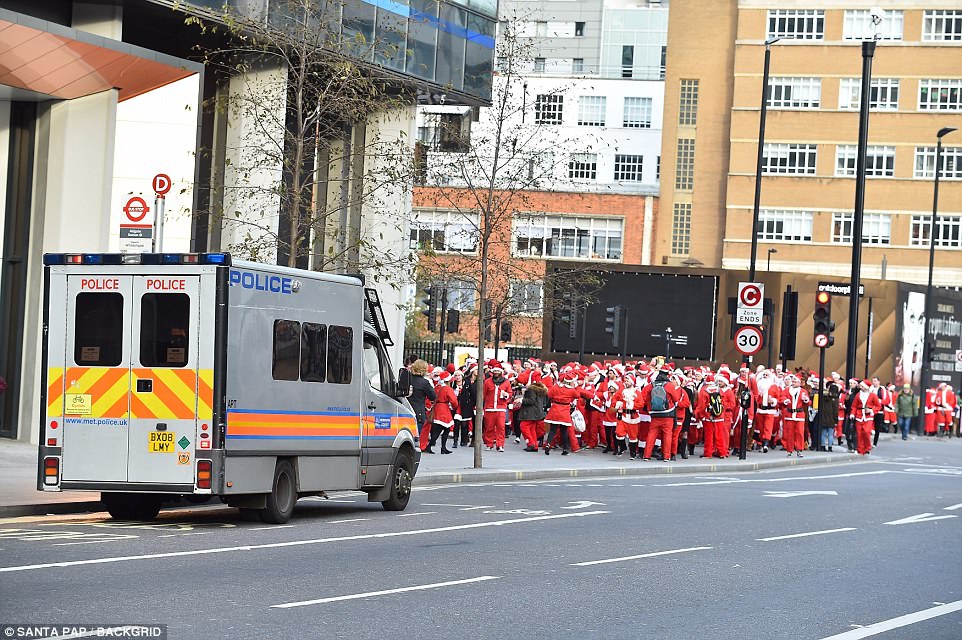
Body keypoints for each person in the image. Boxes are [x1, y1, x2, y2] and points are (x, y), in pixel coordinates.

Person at [639, 362, 684, 461]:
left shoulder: (651, 385)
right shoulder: (669, 385)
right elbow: (676, 399)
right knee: (667, 435)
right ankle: (666, 456)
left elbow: (643, 397)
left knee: (651, 434)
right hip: (667, 414)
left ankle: (646, 455)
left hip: (654, 414)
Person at [544, 371, 591, 455]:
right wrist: (575, 387)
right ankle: (565, 449)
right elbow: (577, 395)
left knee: (552, 430)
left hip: (554, 409)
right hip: (564, 410)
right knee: (564, 431)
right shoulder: (571, 390)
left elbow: (549, 394)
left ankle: (548, 444)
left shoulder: (556, 387)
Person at [482, 360, 512, 452]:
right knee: (489, 427)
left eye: (498, 371)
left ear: (501, 372)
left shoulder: (506, 382)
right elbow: (484, 394)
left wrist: (506, 395)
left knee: (501, 427)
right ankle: (489, 443)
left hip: (501, 408)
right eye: (495, 371)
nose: (496, 373)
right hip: (489, 408)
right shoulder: (487, 382)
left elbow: (510, 393)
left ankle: (500, 445)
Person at [426, 371, 458, 454]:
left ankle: (435, 446)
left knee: (438, 428)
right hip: (444, 409)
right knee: (445, 428)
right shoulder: (448, 388)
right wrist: (455, 407)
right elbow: (454, 401)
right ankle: (441, 447)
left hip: (436, 408)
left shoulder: (437, 387)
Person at [408, 360, 436, 451]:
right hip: (418, 411)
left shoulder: (407, 379)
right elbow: (433, 396)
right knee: (415, 436)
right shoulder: (424, 382)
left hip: (406, 409)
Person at [780, 374, 810, 457]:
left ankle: (799, 449)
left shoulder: (803, 391)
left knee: (799, 433)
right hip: (789, 414)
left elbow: (808, 402)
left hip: (799, 415)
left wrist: (806, 399)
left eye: (795, 381)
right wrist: (785, 401)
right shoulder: (787, 390)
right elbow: (782, 397)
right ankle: (789, 450)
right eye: (792, 381)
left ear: (799, 383)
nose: (793, 383)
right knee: (789, 433)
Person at [851, 380, 882, 455]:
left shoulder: (873, 395)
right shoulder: (858, 395)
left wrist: (871, 410)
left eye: (862, 386)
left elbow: (878, 406)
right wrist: (852, 414)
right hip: (859, 415)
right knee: (859, 433)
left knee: (866, 431)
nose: (860, 387)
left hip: (868, 416)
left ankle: (867, 448)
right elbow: (854, 406)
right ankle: (860, 449)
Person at [518, 375, 548, 452]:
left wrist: (522, 400)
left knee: (523, 426)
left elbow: (531, 401)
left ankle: (531, 443)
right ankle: (534, 445)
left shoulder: (531, 390)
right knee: (532, 429)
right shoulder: (541, 390)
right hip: (537, 412)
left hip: (530, 412)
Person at [456, 364, 477, 447]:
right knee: (464, 423)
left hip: (475, 404)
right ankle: (463, 439)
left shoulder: (480, 381)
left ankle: (474, 440)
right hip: (466, 404)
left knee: (475, 423)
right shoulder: (467, 381)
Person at [817, 377, 841, 451]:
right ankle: (830, 447)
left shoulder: (824, 398)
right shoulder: (835, 400)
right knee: (830, 434)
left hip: (824, 418)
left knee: (823, 433)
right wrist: (836, 421)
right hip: (831, 419)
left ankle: (823, 446)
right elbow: (835, 411)